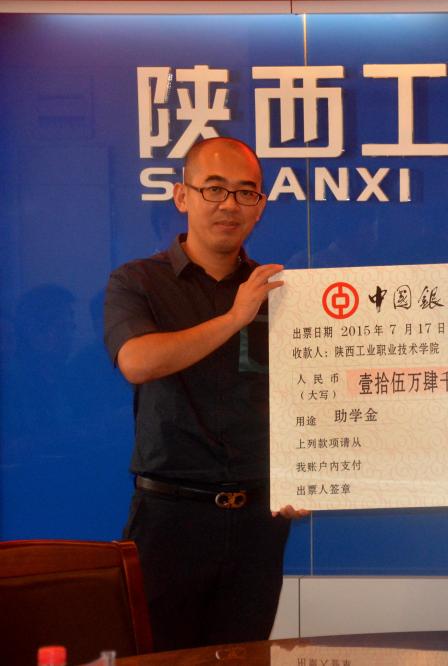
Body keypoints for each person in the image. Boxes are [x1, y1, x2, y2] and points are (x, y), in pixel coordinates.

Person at [104, 137, 309, 651]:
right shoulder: (138, 281)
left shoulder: (283, 294)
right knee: (158, 659)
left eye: (246, 193)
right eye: (214, 189)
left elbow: (311, 393)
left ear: (260, 207)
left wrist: (310, 471)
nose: (229, 205)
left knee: (244, 657)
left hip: (259, 521)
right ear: (182, 195)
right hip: (170, 518)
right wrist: (235, 317)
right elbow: (137, 361)